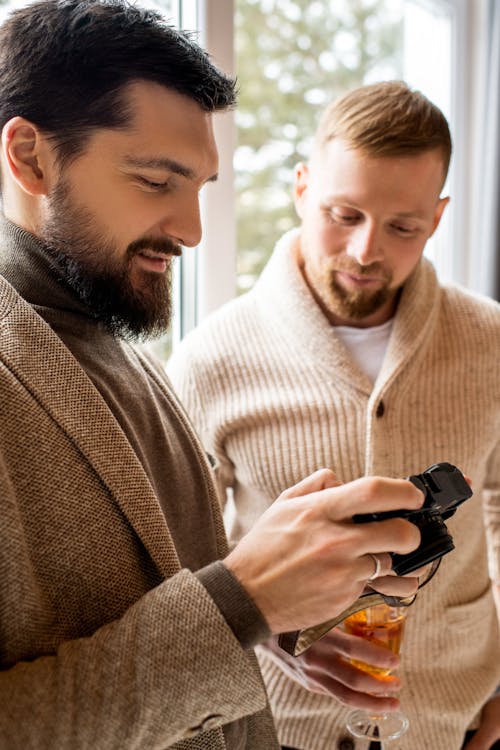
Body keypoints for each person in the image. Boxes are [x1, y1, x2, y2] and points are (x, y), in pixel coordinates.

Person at [0, 4, 428, 749]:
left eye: (200, 185)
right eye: (156, 180)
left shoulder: (124, 342)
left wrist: (272, 623)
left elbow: (163, 598)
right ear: (31, 156)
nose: (193, 228)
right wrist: (242, 599)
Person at [168, 81, 500, 750]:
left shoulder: (492, 342)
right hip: (274, 726)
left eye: (402, 226)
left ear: (436, 219)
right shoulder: (209, 359)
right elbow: (182, 561)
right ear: (300, 187)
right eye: (342, 214)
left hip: (454, 722)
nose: (364, 251)